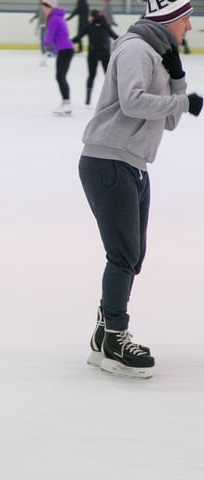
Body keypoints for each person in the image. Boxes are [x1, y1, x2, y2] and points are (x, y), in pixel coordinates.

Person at [78, 0, 200, 379]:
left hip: (132, 162)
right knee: (123, 253)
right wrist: (181, 98)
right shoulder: (134, 48)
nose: (190, 28)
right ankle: (115, 337)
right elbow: (132, 103)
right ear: (169, 20)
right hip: (109, 160)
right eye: (186, 20)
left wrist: (177, 78)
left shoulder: (158, 54)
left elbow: (171, 121)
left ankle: (104, 334)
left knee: (133, 255)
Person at [72, 9, 117, 105]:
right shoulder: (105, 26)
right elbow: (115, 37)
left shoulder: (88, 27)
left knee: (92, 76)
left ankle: (88, 99)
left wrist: (66, 43)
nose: (88, 18)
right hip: (105, 53)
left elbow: (78, 37)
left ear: (92, 17)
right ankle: (112, 98)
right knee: (108, 77)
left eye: (89, 16)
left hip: (93, 54)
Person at [42, 0, 74, 115]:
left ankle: (67, 104)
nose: (43, 10)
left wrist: (46, 44)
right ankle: (66, 103)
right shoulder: (57, 17)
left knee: (60, 76)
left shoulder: (54, 18)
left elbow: (51, 34)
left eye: (44, 7)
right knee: (60, 76)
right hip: (65, 49)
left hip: (65, 50)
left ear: (50, 7)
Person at [29, 1, 49, 65]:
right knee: (42, 41)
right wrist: (32, 19)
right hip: (42, 26)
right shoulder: (40, 7)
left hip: (46, 26)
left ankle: (47, 53)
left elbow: (48, 16)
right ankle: (44, 55)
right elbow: (38, 15)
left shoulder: (46, 7)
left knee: (45, 40)